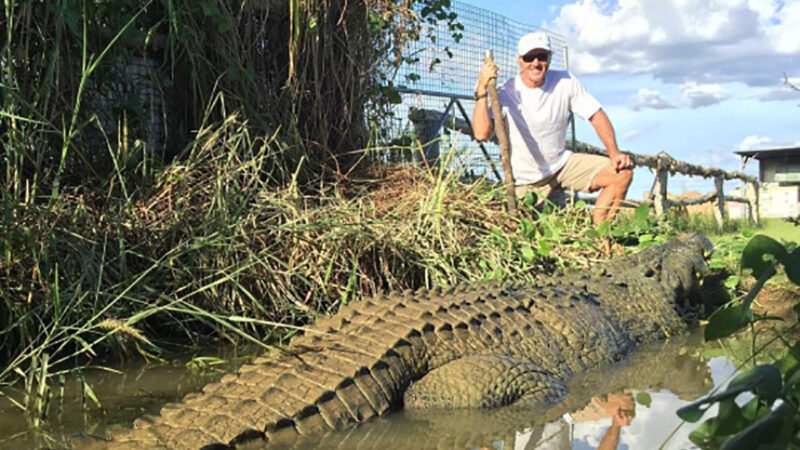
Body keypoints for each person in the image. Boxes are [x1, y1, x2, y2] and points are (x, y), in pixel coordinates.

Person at [472, 31, 633, 224]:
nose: (536, 63)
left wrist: (614, 153)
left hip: (561, 166)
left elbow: (596, 115)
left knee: (621, 174)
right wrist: (482, 89)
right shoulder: (507, 91)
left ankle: (601, 234)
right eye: (529, 57)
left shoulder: (565, 81)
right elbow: (481, 134)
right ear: (520, 61)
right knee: (523, 232)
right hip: (527, 179)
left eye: (542, 56)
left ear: (549, 58)